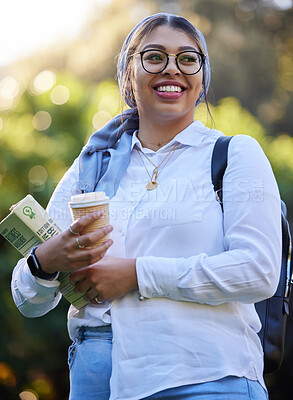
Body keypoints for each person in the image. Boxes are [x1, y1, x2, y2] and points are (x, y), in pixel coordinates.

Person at [11, 13, 281, 400]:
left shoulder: (233, 155)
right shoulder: (92, 167)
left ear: (202, 80)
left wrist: (136, 274)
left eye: (188, 59)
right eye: (154, 56)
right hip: (96, 381)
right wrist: (45, 261)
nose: (172, 68)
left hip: (205, 377)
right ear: (128, 75)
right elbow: (28, 301)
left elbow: (258, 271)